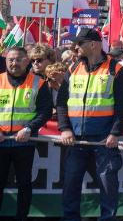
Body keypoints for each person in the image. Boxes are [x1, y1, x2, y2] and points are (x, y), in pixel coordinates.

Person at [56, 27, 123, 221]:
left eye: (79, 43)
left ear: (93, 45)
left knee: (107, 184)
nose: (75, 47)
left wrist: (114, 133)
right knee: (70, 183)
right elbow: (62, 102)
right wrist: (65, 129)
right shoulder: (72, 69)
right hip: (76, 139)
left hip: (104, 140)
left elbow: (122, 107)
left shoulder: (116, 70)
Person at [0, 47, 53, 221]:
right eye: (10, 60)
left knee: (24, 183)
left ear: (27, 61)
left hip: (24, 141)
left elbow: (44, 111)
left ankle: (21, 217)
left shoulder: (38, 83)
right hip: (1, 141)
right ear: (6, 61)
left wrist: (29, 128)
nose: (14, 63)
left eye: (18, 60)